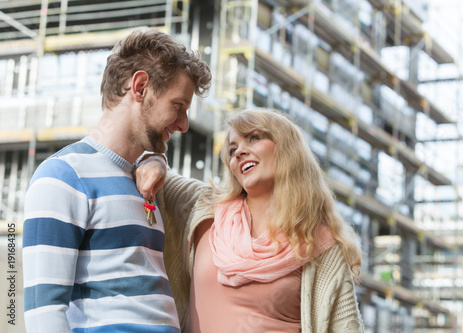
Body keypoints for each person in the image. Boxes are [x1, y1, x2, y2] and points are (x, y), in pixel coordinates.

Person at [22, 28, 211, 333]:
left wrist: (156, 160)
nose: (184, 124)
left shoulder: (147, 180)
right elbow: (44, 312)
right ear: (139, 87)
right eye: (178, 105)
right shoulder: (62, 177)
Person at [136, 108, 364, 332]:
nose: (238, 152)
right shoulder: (206, 208)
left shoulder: (322, 245)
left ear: (288, 149)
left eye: (254, 138)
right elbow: (148, 169)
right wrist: (156, 161)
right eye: (232, 149)